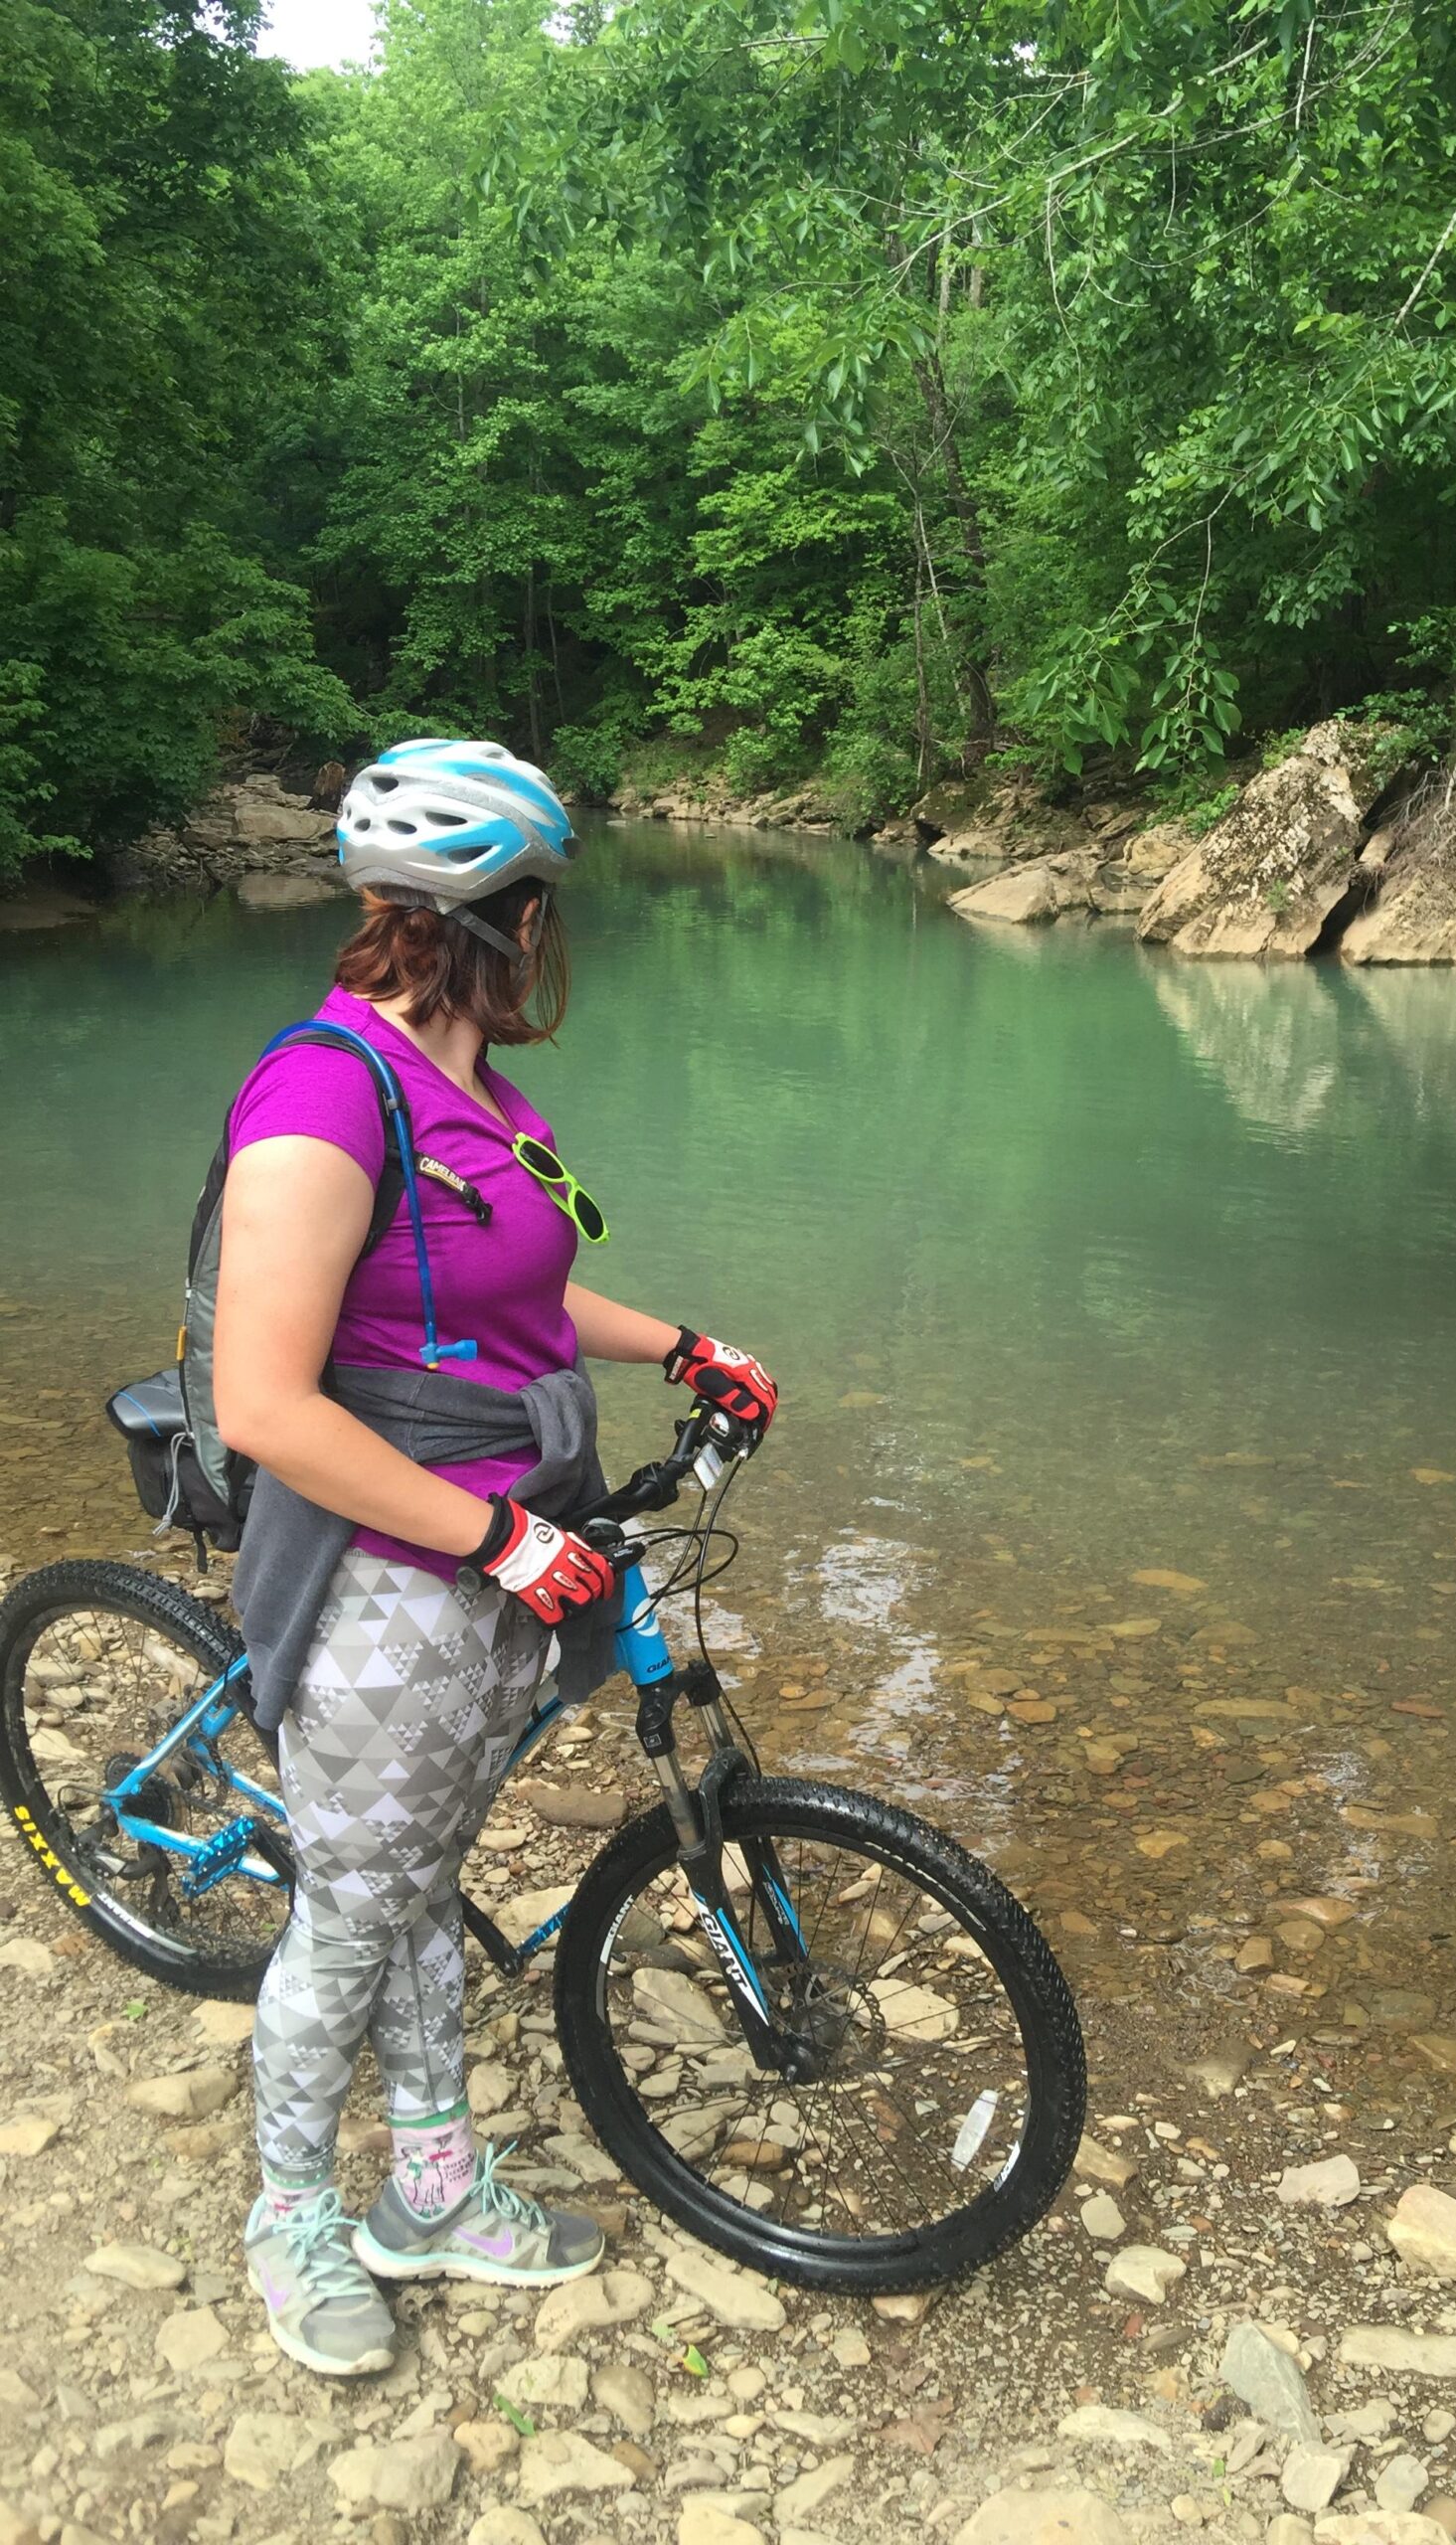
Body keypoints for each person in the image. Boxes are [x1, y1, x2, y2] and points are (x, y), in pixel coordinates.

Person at [214, 737, 777, 2377]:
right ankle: (293, 2214)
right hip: (395, 1567)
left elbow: (517, 1301)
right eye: (548, 912)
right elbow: (262, 1398)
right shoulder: (324, 1090)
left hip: (506, 1541)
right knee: (352, 1911)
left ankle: (438, 2186)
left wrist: (681, 1343)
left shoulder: (471, 1086)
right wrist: (493, 1536)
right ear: (514, 918)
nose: (554, 943)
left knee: (411, 1885)